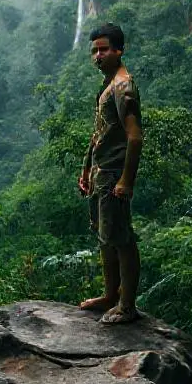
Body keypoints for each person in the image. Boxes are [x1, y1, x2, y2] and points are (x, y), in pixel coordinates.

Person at [77, 22, 144, 324]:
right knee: (106, 237)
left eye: (104, 49)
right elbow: (99, 134)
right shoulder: (107, 85)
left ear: (119, 50)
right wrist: (86, 169)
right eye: (94, 51)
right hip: (101, 175)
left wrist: (126, 180)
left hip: (114, 175)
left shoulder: (122, 87)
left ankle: (127, 306)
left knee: (122, 239)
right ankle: (110, 295)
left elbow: (134, 137)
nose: (98, 56)